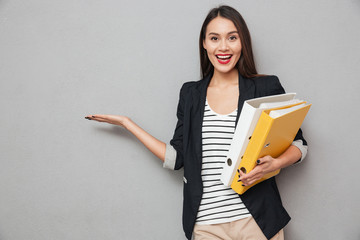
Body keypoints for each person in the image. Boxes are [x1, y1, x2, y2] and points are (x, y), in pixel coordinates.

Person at [85, 5, 307, 240]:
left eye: (232, 37)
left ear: (243, 42)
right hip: (206, 226)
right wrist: (128, 124)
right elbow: (177, 159)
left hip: (257, 222)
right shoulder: (190, 94)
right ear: (204, 43)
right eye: (214, 38)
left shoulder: (265, 87)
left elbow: (300, 145)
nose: (223, 47)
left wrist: (276, 164)